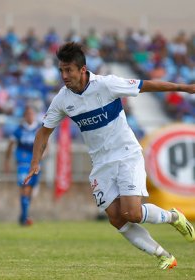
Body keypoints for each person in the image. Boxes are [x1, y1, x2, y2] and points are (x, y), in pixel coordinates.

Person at [24, 42, 195, 270]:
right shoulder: (62, 100)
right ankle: (164, 255)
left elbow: (146, 86)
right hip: (101, 163)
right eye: (61, 70)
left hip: (126, 154)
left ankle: (174, 217)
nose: (64, 75)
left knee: (132, 213)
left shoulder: (107, 84)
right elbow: (43, 132)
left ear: (82, 70)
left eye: (68, 70)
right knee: (116, 218)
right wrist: (35, 163)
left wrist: (183, 88)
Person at [4, 105, 42, 226]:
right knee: (25, 189)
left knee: (30, 192)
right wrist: (7, 161)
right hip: (23, 164)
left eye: (32, 113)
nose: (30, 116)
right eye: (28, 114)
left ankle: (23, 215)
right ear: (25, 116)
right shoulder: (19, 130)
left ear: (34, 115)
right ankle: (25, 219)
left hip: (36, 165)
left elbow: (46, 145)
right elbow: (10, 145)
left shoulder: (39, 129)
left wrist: (41, 157)